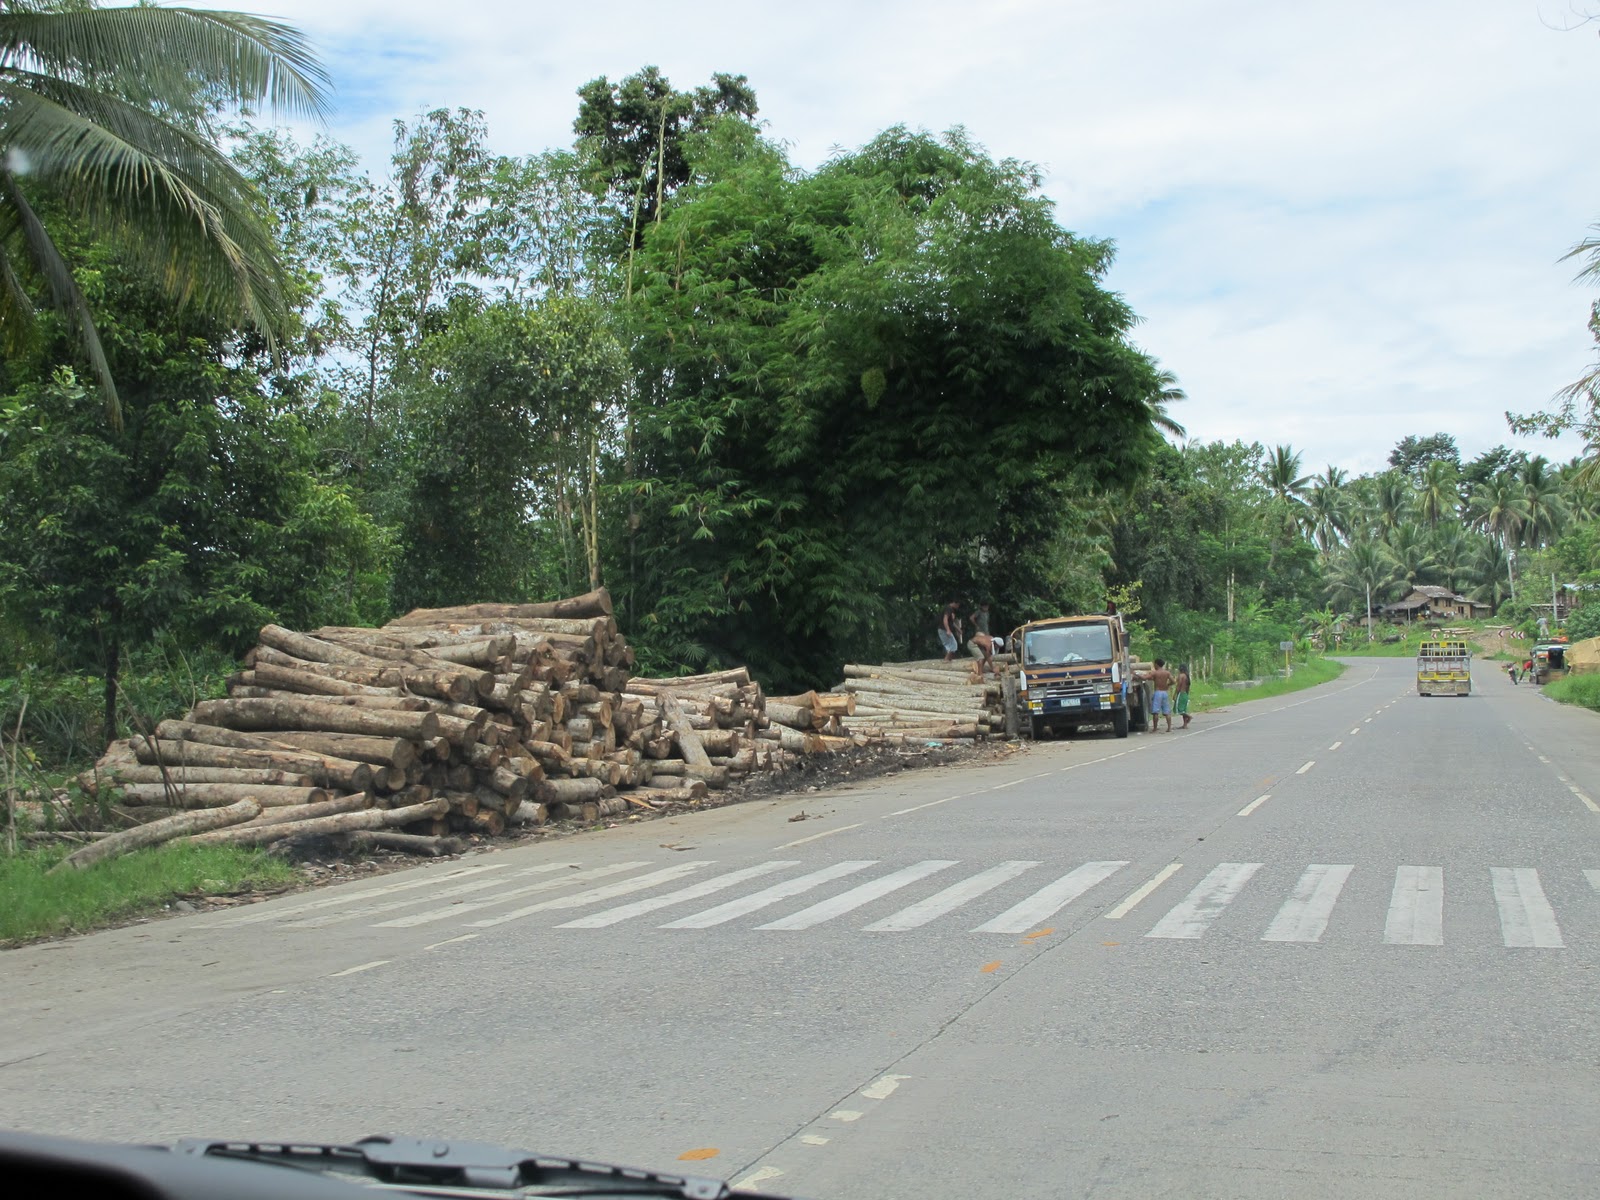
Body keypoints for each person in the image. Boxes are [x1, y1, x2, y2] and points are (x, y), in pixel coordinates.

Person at [1141, 659, 1174, 732]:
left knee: (1155, 712)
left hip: (1158, 693)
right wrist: (1167, 685)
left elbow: (1144, 678)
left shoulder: (1155, 673)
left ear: (1156, 664)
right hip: (1164, 692)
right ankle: (1169, 728)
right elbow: (1173, 681)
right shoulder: (1167, 673)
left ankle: (1155, 728)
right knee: (1167, 712)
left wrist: (1135, 674)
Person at [1174, 663, 1192, 728]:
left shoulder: (1181, 676)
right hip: (1185, 694)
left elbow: (1178, 686)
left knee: (1179, 710)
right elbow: (1188, 687)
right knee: (1184, 709)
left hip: (1181, 694)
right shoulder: (1187, 676)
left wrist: (1175, 694)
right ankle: (1185, 725)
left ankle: (1188, 716)